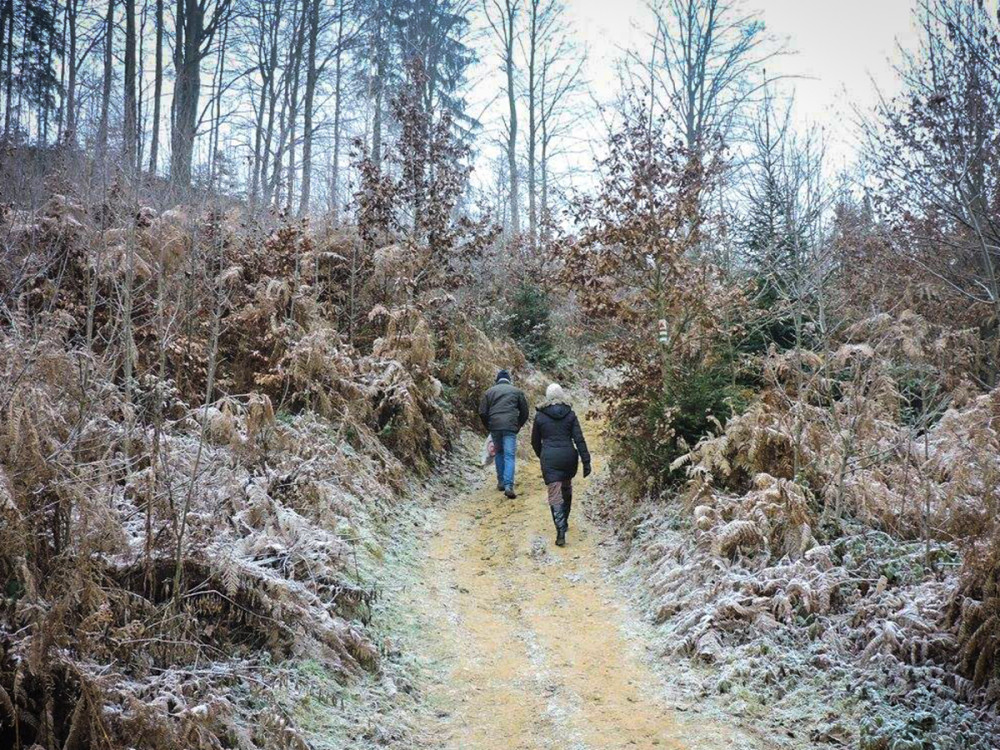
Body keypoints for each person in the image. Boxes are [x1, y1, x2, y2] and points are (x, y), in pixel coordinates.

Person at [531, 383, 591, 547]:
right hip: (568, 456)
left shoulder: (540, 416)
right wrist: (586, 461)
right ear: (562, 395)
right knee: (566, 486)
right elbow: (579, 439)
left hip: (550, 456)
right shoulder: (570, 414)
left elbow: (534, 441)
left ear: (547, 397)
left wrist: (542, 455)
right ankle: (565, 520)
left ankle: (560, 530)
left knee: (554, 492)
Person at [479, 369, 529, 498]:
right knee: (509, 456)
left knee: (499, 453)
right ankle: (508, 486)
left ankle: (501, 482)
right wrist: (518, 425)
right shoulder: (517, 392)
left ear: (497, 380)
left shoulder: (489, 392)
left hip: (495, 426)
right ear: (509, 380)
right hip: (510, 427)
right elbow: (525, 412)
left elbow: (482, 412)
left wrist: (488, 426)